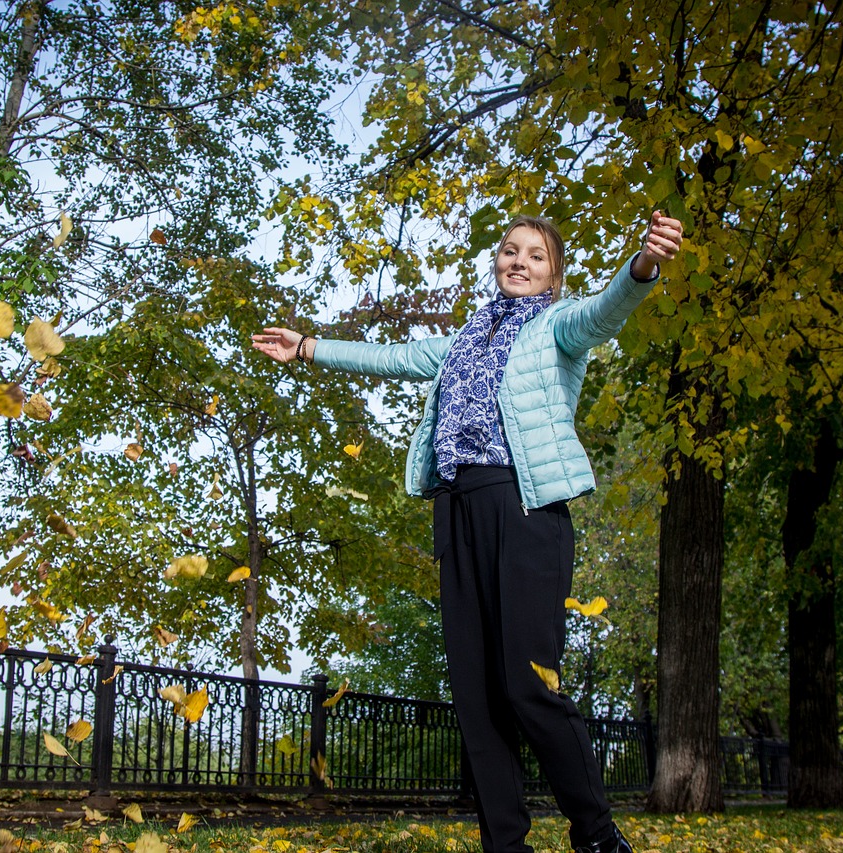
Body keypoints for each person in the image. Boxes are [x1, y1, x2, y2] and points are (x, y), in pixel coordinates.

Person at [252, 211, 683, 853]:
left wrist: (643, 264)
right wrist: (309, 347)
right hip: (457, 510)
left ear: (552, 273)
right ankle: (504, 844)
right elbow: (393, 358)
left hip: (525, 509)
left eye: (536, 255)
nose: (519, 262)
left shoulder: (556, 326)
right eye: (511, 251)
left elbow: (605, 312)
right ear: (497, 262)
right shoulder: (462, 339)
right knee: (477, 696)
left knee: (529, 682)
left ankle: (595, 835)